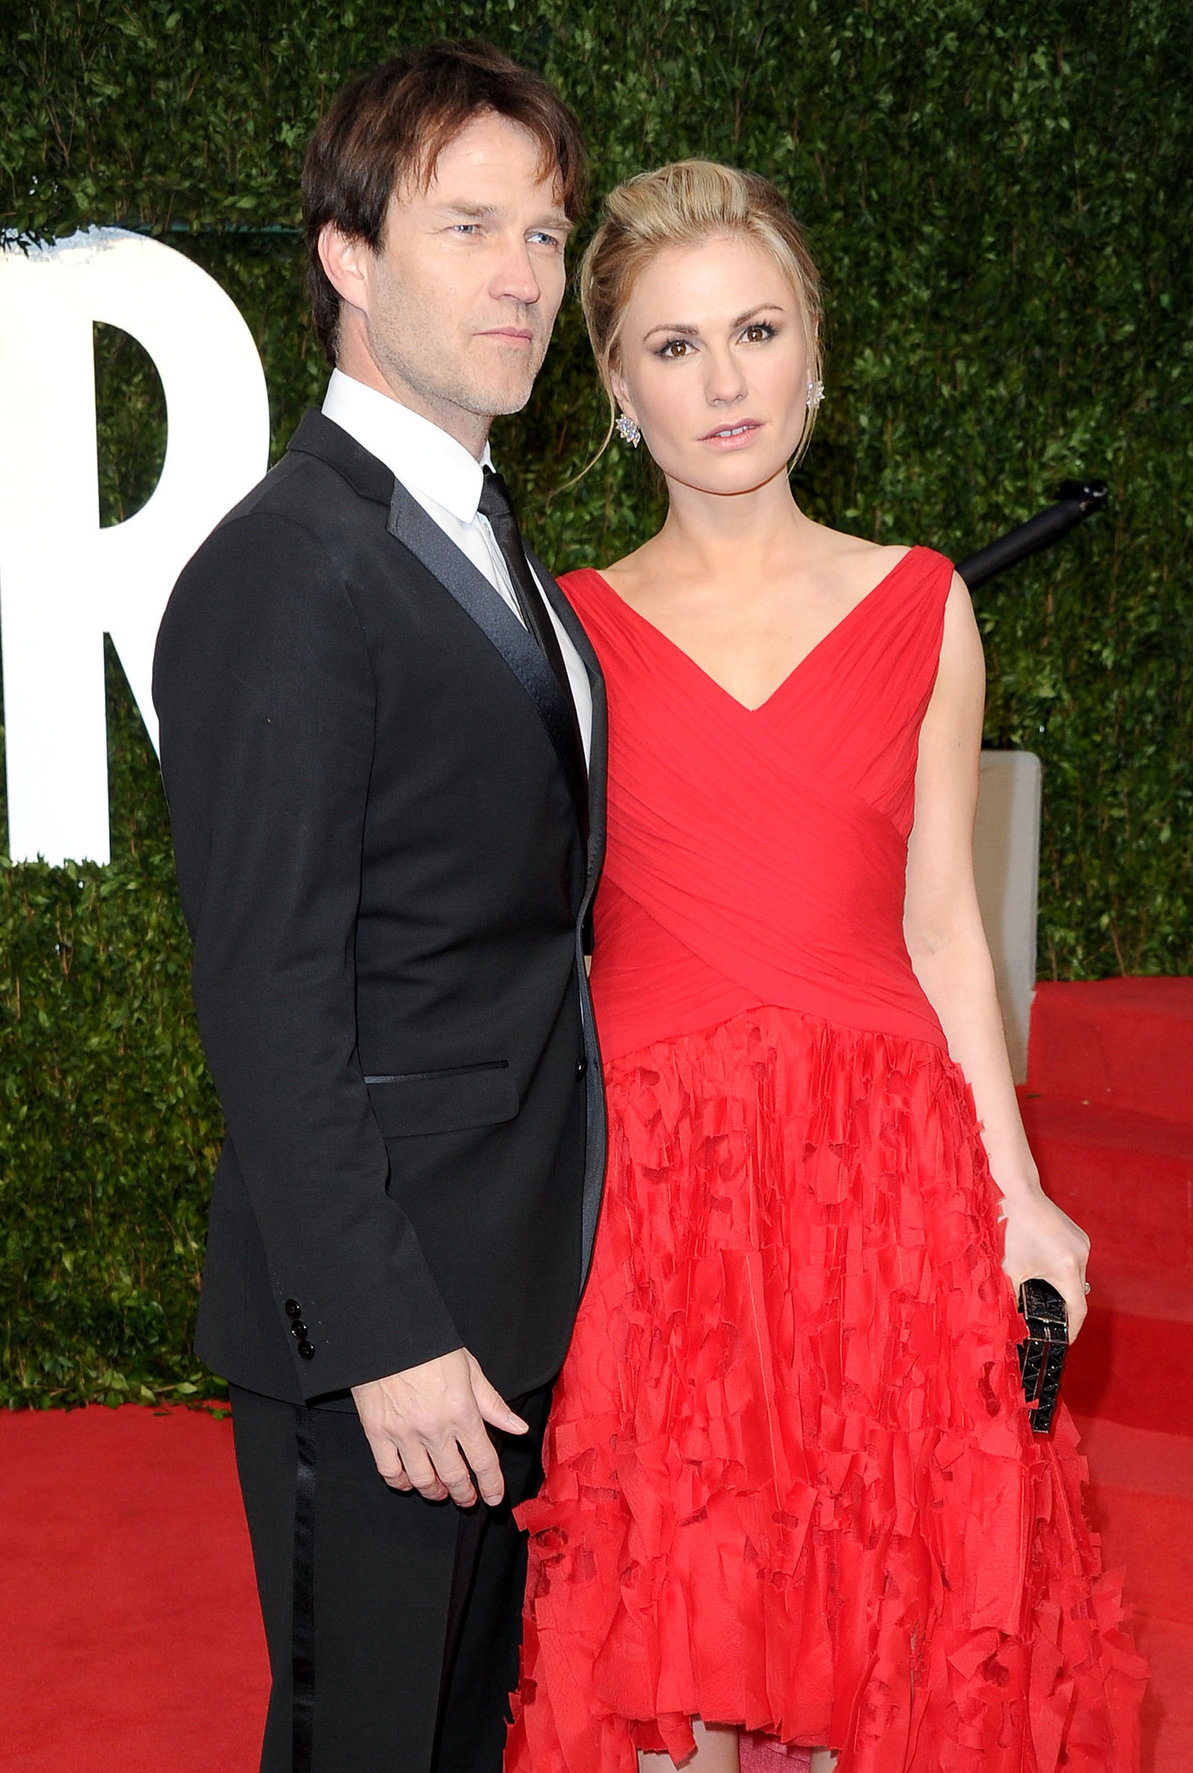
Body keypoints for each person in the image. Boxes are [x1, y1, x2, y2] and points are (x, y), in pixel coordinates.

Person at [505, 161, 1144, 1772]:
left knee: (894, 1660)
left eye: (758, 329)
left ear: (812, 353)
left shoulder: (923, 605)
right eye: (674, 346)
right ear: (617, 389)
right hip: (659, 1207)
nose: (725, 381)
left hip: (883, 1202)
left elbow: (944, 926)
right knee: (671, 1679)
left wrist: (1018, 1193)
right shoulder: (565, 632)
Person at [152, 40, 606, 1773]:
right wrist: (383, 1333)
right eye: (468, 227)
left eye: (545, 235)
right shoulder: (284, 566)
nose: (521, 276)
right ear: (346, 256)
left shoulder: (489, 537)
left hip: (512, 1291)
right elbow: (269, 998)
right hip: (389, 1330)